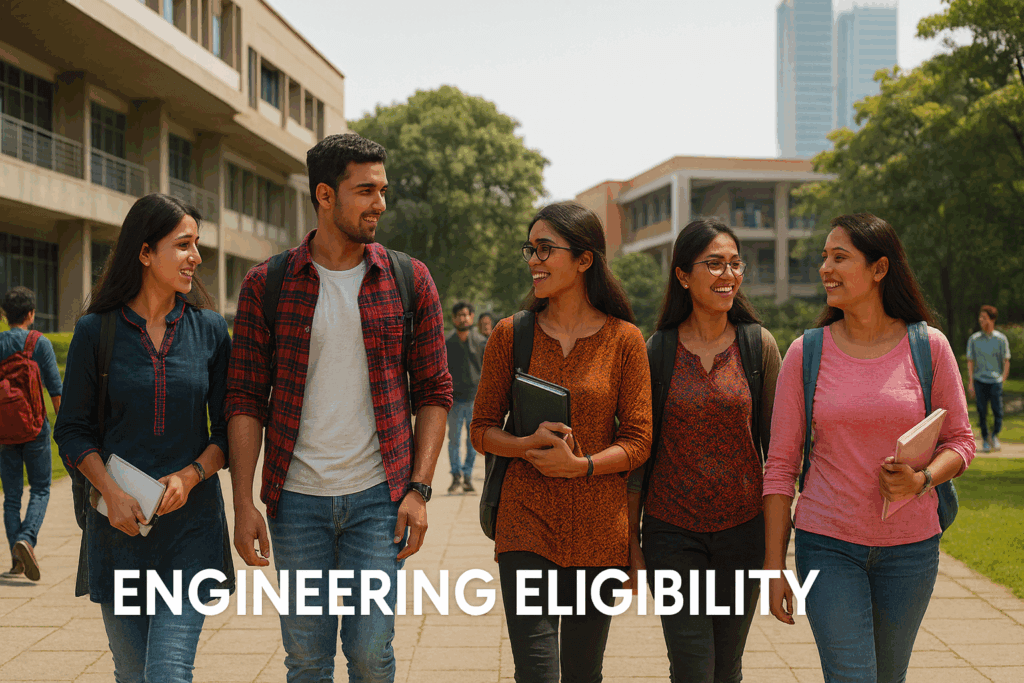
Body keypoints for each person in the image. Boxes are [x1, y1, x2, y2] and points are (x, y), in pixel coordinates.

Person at [225, 133, 452, 683]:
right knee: (306, 659)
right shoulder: (268, 283)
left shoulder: (408, 278)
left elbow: (434, 390)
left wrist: (419, 490)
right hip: (295, 501)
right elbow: (246, 398)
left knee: (373, 654)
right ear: (325, 195)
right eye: (366, 190)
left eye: (383, 189)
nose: (380, 203)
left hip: (379, 498)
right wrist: (243, 504)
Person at [763, 214, 975, 683]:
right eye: (824, 258)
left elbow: (960, 441)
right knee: (852, 677)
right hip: (828, 544)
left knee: (888, 677)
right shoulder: (806, 352)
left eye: (840, 258)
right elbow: (779, 467)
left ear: (879, 269)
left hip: (911, 550)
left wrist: (922, 479)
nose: (826, 269)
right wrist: (773, 566)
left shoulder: (929, 346)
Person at [53, 193, 233, 683]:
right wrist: (110, 493)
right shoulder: (96, 331)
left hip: (192, 531)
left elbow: (226, 433)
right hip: (119, 532)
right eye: (184, 245)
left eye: (197, 245)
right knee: (133, 675)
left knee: (167, 673)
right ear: (145, 251)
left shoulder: (211, 331)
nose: (196, 257)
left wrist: (192, 475)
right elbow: (70, 431)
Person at [471, 201, 652, 683]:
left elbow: (638, 440)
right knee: (536, 672)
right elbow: (481, 429)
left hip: (599, 530)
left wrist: (584, 465)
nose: (533, 259)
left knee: (582, 673)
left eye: (546, 249)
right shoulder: (511, 335)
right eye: (529, 248)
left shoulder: (625, 340)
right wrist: (525, 443)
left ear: (585, 259)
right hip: (524, 523)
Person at [626, 218, 781, 683]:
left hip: (743, 531)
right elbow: (638, 456)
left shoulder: (759, 345)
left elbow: (780, 456)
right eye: (713, 264)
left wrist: (778, 554)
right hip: (671, 532)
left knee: (726, 667)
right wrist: (631, 544)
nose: (727, 275)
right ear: (682, 275)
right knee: (693, 667)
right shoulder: (658, 351)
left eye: (735, 264)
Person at [0, 287, 62, 581]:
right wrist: (66, 432)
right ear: (31, 314)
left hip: (3, 432)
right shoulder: (39, 343)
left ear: (5, 315)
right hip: (35, 427)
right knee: (40, 488)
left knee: (11, 496)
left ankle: (16, 556)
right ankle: (27, 538)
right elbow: (55, 390)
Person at [445, 301, 487, 494]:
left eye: (466, 314)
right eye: (459, 315)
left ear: (472, 316)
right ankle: (455, 476)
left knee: (472, 441)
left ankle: (468, 476)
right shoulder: (446, 342)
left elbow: (487, 372)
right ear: (454, 319)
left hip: (474, 399)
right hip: (452, 400)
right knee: (453, 440)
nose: (463, 318)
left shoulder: (481, 342)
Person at [966, 304, 1010, 452]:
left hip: (995, 381)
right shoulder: (974, 339)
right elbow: (970, 361)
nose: (980, 320)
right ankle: (985, 439)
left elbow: (1006, 359)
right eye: (980, 317)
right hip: (979, 381)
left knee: (998, 411)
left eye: (984, 318)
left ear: (992, 319)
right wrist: (971, 382)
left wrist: (1002, 379)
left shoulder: (1001, 339)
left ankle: (995, 435)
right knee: (981, 411)